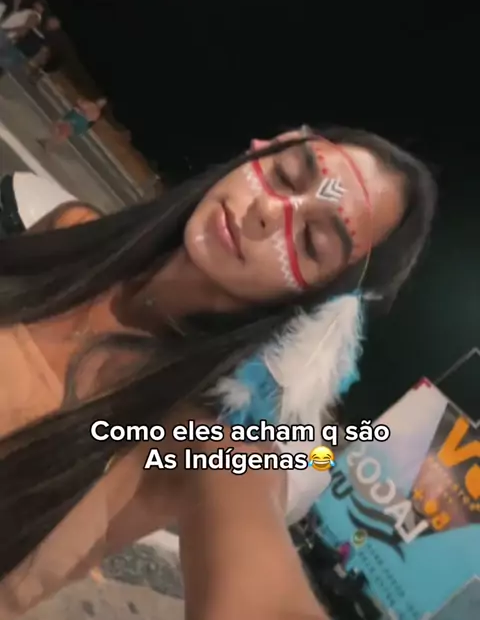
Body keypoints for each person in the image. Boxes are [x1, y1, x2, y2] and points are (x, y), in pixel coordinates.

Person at [0, 126, 437, 617]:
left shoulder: (207, 429)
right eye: (286, 175)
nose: (270, 211)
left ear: (322, 308)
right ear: (261, 150)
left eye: (311, 242)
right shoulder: (69, 233)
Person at [39, 96, 107, 151]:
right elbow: (89, 117)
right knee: (62, 131)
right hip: (78, 121)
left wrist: (80, 104)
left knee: (60, 128)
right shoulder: (95, 111)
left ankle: (49, 144)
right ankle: (49, 143)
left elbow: (82, 106)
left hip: (77, 120)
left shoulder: (93, 108)